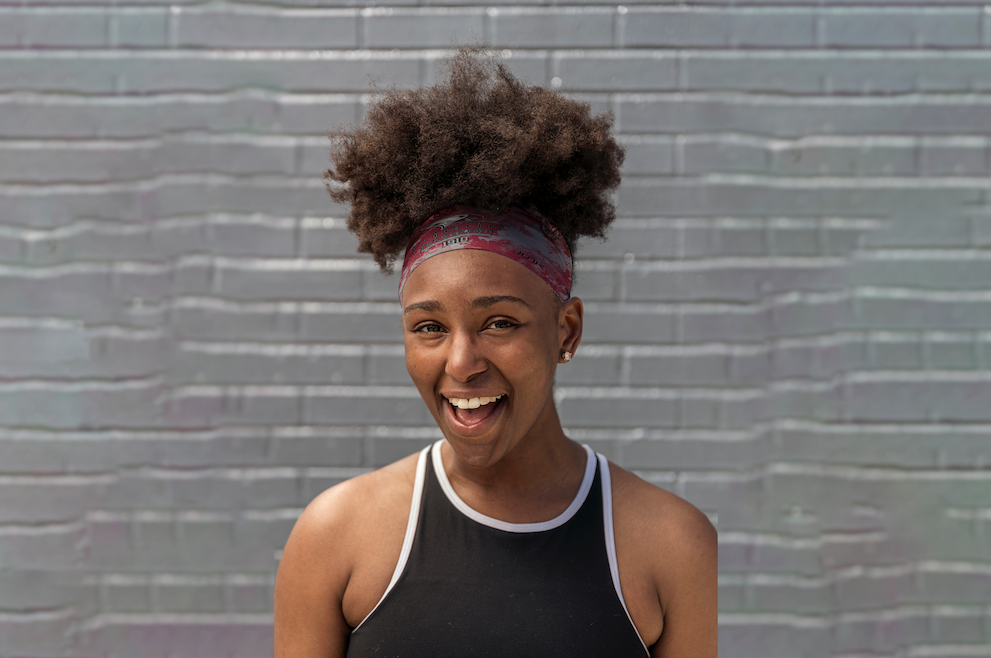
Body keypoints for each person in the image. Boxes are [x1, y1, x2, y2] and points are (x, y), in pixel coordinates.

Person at [274, 47, 717, 658]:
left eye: (499, 322)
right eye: (429, 328)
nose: (460, 363)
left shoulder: (673, 546)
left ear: (566, 331)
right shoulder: (337, 535)